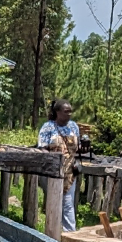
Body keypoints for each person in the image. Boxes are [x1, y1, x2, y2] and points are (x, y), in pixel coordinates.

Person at [37, 98, 81, 234]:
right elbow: (42, 148)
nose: (69, 114)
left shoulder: (74, 127)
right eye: (66, 111)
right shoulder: (48, 127)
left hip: (70, 172)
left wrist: (78, 160)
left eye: (70, 112)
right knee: (55, 202)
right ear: (57, 112)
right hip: (52, 172)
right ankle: (53, 233)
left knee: (68, 203)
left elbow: (77, 149)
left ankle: (70, 234)